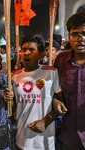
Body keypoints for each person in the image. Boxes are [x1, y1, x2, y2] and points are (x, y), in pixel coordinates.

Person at [4, 34, 67, 150]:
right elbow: (12, 108)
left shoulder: (51, 73)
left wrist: (45, 122)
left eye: (31, 50)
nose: (26, 53)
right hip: (21, 140)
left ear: (40, 54)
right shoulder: (14, 76)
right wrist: (8, 98)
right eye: (23, 50)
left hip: (45, 142)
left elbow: (61, 104)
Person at [54, 12, 85, 150]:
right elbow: (54, 89)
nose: (80, 38)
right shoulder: (60, 61)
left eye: (84, 33)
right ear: (69, 37)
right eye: (75, 34)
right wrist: (56, 100)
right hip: (69, 136)